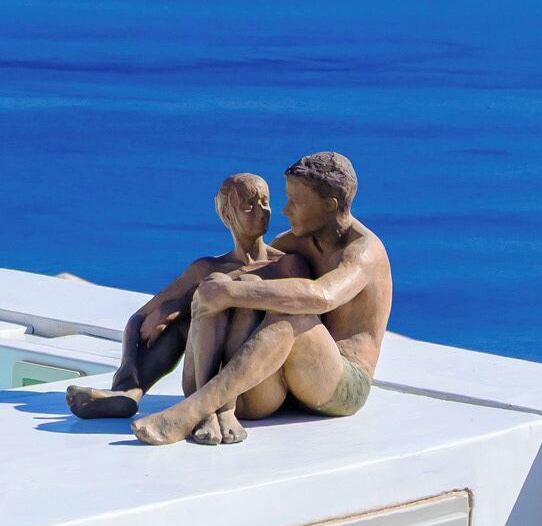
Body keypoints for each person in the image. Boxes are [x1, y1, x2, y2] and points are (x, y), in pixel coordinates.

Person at [127, 150, 394, 446]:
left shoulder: (364, 251)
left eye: (296, 202)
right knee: (246, 286)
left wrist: (230, 292)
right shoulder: (293, 243)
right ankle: (143, 393)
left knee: (294, 316)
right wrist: (179, 305)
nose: (285, 211)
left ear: (329, 205)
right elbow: (242, 276)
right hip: (288, 384)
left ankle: (194, 410)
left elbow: (323, 296)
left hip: (340, 384)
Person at [64, 173, 290, 420]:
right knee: (180, 324)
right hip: (203, 381)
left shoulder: (284, 265)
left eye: (265, 202)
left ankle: (203, 406)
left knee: (197, 308)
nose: (262, 211)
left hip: (255, 384)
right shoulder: (207, 268)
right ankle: (128, 392)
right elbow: (140, 317)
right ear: (227, 215)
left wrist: (180, 306)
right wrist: (128, 364)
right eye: (248, 206)